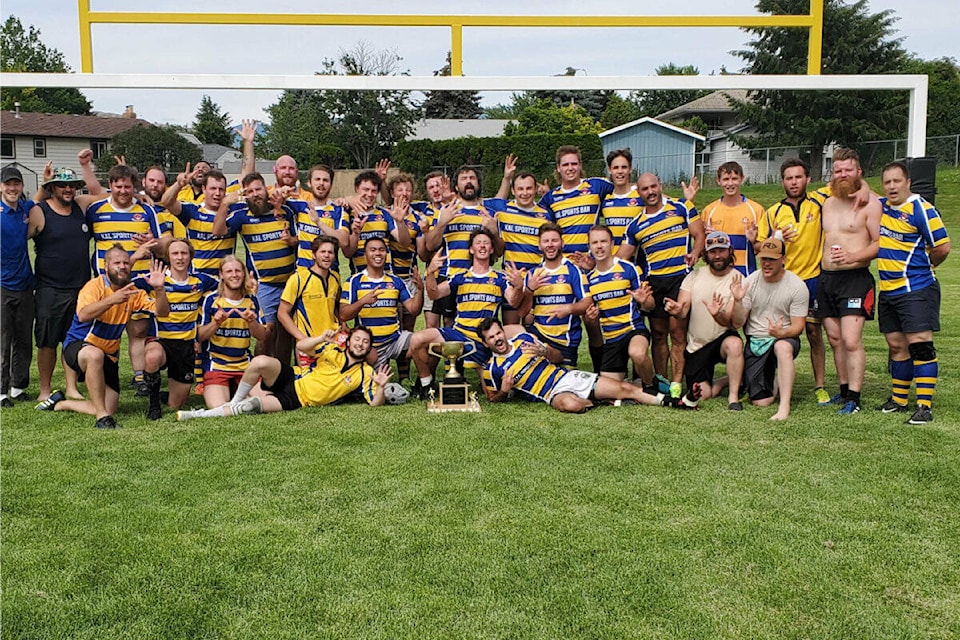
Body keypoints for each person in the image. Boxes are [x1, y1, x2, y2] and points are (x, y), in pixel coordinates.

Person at [35, 246, 168, 429]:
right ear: (106, 267)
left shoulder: (133, 292)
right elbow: (83, 315)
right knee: (94, 355)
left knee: (109, 406)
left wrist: (160, 289)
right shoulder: (93, 286)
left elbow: (162, 313)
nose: (122, 266)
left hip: (108, 356)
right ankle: (102, 419)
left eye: (125, 263)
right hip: (79, 347)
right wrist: (112, 300)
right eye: (117, 263)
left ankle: (60, 403)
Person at [478, 318, 697, 413]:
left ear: (503, 332)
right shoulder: (491, 368)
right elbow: (492, 398)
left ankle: (674, 402)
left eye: (498, 333)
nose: (497, 339)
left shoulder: (524, 341)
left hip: (564, 377)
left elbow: (557, 357)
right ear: (485, 343)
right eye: (491, 337)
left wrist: (545, 351)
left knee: (626, 388)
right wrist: (504, 392)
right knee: (571, 406)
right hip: (552, 394)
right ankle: (605, 400)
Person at [73, 163, 162, 396]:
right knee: (104, 331)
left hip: (139, 281)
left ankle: (139, 376)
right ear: (110, 185)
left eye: (128, 186)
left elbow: (159, 244)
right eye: (119, 186)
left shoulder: (146, 210)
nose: (123, 191)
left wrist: (152, 240)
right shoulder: (96, 210)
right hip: (107, 283)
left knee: (138, 331)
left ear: (135, 187)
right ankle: (96, 371)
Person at [176, 326, 393, 420]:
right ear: (349, 341)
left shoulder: (365, 373)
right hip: (293, 377)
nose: (360, 344)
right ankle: (234, 401)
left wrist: (381, 387)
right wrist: (320, 338)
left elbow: (375, 404)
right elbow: (301, 347)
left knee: (250, 407)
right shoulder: (332, 350)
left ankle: (198, 415)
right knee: (260, 361)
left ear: (368, 348)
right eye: (357, 339)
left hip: (296, 399)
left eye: (365, 342)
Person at [617, 172, 705, 398]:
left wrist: (695, 253)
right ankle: (661, 382)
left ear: (660, 185)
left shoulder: (682, 206)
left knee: (677, 333)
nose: (650, 192)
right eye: (645, 189)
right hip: (655, 281)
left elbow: (699, 235)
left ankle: (676, 384)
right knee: (658, 334)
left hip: (680, 278)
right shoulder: (635, 225)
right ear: (639, 192)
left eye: (653, 187)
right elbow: (620, 259)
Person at [876, 161, 951, 424]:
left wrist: (927, 267)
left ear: (908, 182)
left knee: (920, 344)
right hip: (888, 290)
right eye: (887, 182)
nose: (892, 186)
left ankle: (924, 406)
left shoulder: (922, 209)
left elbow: (942, 247)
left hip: (915, 288)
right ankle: (898, 399)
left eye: (897, 181)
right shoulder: (883, 206)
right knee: (896, 345)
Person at [409, 228, 515, 399]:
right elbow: (434, 294)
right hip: (458, 334)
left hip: (484, 341)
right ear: (471, 249)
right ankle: (426, 384)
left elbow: (514, 301)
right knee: (416, 340)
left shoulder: (500, 278)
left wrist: (518, 286)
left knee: (492, 395)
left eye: (486, 243)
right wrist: (430, 273)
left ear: (492, 249)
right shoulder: (460, 277)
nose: (482, 245)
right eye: (478, 242)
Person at [756, 158, 829, 405]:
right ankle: (771, 383)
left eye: (798, 177)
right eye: (789, 178)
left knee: (813, 332)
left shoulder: (820, 203)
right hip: (783, 281)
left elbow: (848, 183)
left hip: (812, 278)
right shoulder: (773, 212)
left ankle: (820, 385)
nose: (794, 182)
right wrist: (776, 237)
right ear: (783, 182)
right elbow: (759, 244)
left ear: (807, 179)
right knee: (775, 331)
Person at [815, 148, 882, 414]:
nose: (842, 175)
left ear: (859, 172)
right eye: (838, 170)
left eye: (848, 170)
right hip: (827, 278)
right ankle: (843, 392)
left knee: (851, 340)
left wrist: (853, 255)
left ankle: (855, 397)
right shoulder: (826, 200)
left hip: (855, 279)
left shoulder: (872, 203)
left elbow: (880, 243)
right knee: (835, 338)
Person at [215, 172, 298, 359]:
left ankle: (281, 376)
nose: (255, 194)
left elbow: (301, 240)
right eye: (250, 191)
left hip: (291, 282)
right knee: (266, 333)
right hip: (264, 284)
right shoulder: (242, 216)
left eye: (258, 189)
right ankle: (260, 375)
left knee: (286, 333)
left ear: (266, 189)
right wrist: (225, 204)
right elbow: (218, 231)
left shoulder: (286, 210)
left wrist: (292, 240)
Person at [28, 166, 92, 402]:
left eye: (71, 185)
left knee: (72, 339)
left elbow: (105, 195)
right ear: (52, 188)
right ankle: (45, 389)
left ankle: (72, 386)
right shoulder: (39, 211)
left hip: (81, 287)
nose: (68, 189)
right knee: (47, 341)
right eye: (62, 185)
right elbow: (18, 228)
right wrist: (39, 190)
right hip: (49, 288)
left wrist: (141, 196)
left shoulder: (81, 206)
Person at [663, 231, 745, 410]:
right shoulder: (693, 276)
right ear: (705, 254)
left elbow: (734, 324)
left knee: (735, 344)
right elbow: (683, 310)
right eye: (713, 251)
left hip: (722, 338)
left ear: (730, 251)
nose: (717, 256)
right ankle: (724, 381)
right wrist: (677, 310)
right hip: (697, 346)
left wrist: (719, 313)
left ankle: (733, 397)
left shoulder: (738, 279)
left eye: (722, 251)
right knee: (703, 393)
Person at [730, 238, 808, 420]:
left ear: (783, 259)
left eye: (772, 259)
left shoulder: (797, 286)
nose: (766, 263)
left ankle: (784, 407)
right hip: (757, 341)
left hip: (784, 338)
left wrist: (782, 333)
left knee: (782, 348)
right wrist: (738, 301)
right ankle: (757, 377)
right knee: (761, 402)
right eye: (764, 258)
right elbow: (738, 323)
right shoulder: (751, 281)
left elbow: (798, 327)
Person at [141, 239, 218, 420]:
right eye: (175, 253)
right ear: (168, 256)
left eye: (184, 253)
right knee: (152, 356)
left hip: (186, 345)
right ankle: (153, 406)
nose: (180, 257)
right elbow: (124, 282)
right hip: (162, 341)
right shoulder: (155, 278)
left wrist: (249, 288)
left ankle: (160, 391)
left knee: (176, 404)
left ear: (190, 256)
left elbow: (225, 287)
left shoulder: (201, 281)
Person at [423, 166, 500, 328]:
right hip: (450, 277)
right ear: (456, 187)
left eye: (472, 178)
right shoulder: (447, 210)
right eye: (464, 179)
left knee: (481, 324)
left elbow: (499, 252)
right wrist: (442, 222)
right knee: (449, 326)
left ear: (478, 183)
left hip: (480, 280)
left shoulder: (488, 213)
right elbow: (430, 245)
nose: (469, 182)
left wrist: (494, 232)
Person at [586, 225, 656, 389]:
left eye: (603, 241)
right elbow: (591, 321)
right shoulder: (589, 279)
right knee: (609, 390)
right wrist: (591, 319)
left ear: (612, 244)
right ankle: (633, 386)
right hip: (611, 339)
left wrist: (644, 300)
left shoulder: (628, 268)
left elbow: (651, 305)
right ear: (589, 247)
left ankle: (651, 385)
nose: (599, 246)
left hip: (633, 330)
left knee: (637, 353)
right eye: (594, 242)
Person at [511, 222, 591, 366]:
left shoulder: (573, 270)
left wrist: (569, 309)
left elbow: (587, 302)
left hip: (564, 342)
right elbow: (522, 313)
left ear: (562, 243)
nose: (550, 245)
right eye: (546, 241)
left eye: (554, 240)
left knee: (562, 385)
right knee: (506, 332)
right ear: (539, 245)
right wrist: (529, 290)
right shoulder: (532, 273)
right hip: (538, 335)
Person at [341, 236, 424, 371]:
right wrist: (362, 301)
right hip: (370, 345)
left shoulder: (395, 281)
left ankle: (425, 385)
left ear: (386, 254)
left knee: (425, 341)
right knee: (378, 388)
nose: (378, 253)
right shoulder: (354, 281)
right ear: (365, 254)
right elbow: (344, 314)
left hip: (395, 340)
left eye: (381, 250)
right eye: (372, 250)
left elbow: (414, 309)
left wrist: (420, 290)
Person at [197, 256, 267, 409]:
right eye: (229, 271)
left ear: (244, 274)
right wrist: (215, 323)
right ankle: (227, 390)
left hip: (244, 363)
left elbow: (262, 336)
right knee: (218, 407)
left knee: (263, 402)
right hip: (217, 363)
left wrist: (252, 322)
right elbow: (199, 336)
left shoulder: (251, 300)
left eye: (238, 271)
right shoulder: (211, 300)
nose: (234, 275)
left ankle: (237, 390)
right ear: (221, 275)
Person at [538, 145, 613, 259]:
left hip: (592, 260)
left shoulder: (596, 185)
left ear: (580, 165)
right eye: (565, 165)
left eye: (574, 164)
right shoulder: (550, 198)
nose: (570, 168)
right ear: (558, 168)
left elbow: (623, 189)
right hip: (564, 262)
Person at [278, 235, 343, 367]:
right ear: (313, 255)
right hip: (309, 343)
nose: (326, 256)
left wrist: (343, 323)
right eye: (322, 252)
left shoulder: (335, 278)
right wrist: (301, 338)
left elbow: (335, 306)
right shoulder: (299, 279)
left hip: (333, 340)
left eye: (330, 252)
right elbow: (282, 313)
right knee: (310, 384)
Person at [0, 166, 35, 407]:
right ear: (1, 187)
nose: (12, 188)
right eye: (7, 184)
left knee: (23, 339)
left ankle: (18, 386)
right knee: (3, 340)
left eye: (16, 184)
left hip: (25, 284)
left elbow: (42, 199)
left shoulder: (25, 209)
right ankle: (1, 391)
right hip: (2, 285)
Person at [160, 166, 235, 278]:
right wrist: (179, 184)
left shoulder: (232, 212)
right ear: (204, 189)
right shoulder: (192, 211)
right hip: (198, 278)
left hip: (223, 279)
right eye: (213, 188)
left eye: (221, 189)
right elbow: (166, 202)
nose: (217, 193)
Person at [701, 161, 766, 276]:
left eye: (735, 178)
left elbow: (763, 250)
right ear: (718, 181)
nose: (730, 184)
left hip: (746, 275)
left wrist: (754, 240)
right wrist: (707, 239)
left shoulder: (756, 210)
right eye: (726, 179)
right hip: (717, 277)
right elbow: (702, 251)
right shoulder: (709, 211)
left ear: (742, 179)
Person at [343, 170, 410, 274]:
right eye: (366, 189)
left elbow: (405, 243)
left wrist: (400, 222)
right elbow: (347, 253)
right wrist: (356, 234)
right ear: (356, 189)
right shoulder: (347, 214)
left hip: (386, 278)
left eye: (374, 191)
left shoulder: (384, 213)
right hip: (360, 279)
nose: (370, 194)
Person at [288, 164, 350, 272]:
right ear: (309, 183)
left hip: (329, 277)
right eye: (317, 179)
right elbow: (272, 203)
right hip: (303, 275)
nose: (321, 183)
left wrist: (319, 222)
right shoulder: (300, 206)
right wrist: (281, 193)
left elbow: (344, 242)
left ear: (330, 185)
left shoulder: (338, 210)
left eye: (325, 180)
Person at [601, 149, 642, 247]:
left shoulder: (641, 195)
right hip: (613, 259)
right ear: (609, 170)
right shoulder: (605, 199)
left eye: (624, 167)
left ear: (630, 169)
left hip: (635, 260)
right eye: (615, 168)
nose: (620, 171)